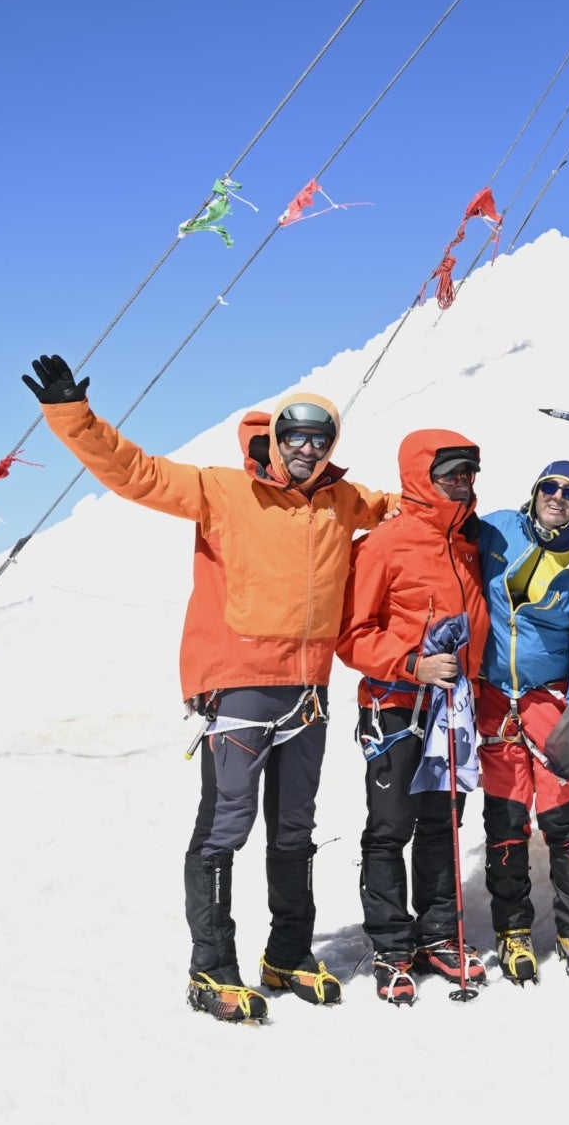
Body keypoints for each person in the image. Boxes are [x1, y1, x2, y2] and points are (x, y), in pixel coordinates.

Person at [23, 355, 395, 1025]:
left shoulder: (344, 500)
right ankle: (211, 967)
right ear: (275, 436)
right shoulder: (222, 490)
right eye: (296, 435)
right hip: (240, 684)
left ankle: (287, 955)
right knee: (228, 824)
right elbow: (137, 473)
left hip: (308, 689)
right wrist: (72, 415)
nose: (307, 448)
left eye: (320, 438)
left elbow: (400, 510)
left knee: (294, 827)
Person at [337, 432, 493, 1003]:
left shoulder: (468, 542)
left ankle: (438, 934)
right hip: (396, 705)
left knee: (441, 825)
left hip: (452, 710)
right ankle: (390, 942)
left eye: (469, 473)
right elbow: (351, 635)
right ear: (421, 476)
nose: (463, 483)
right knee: (389, 828)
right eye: (451, 472)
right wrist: (411, 665)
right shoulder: (383, 544)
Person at [475, 460, 569, 985]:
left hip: (547, 699)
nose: (557, 497)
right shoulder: (497, 529)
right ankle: (512, 930)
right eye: (550, 487)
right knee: (506, 817)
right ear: (534, 492)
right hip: (492, 696)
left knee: (562, 816)